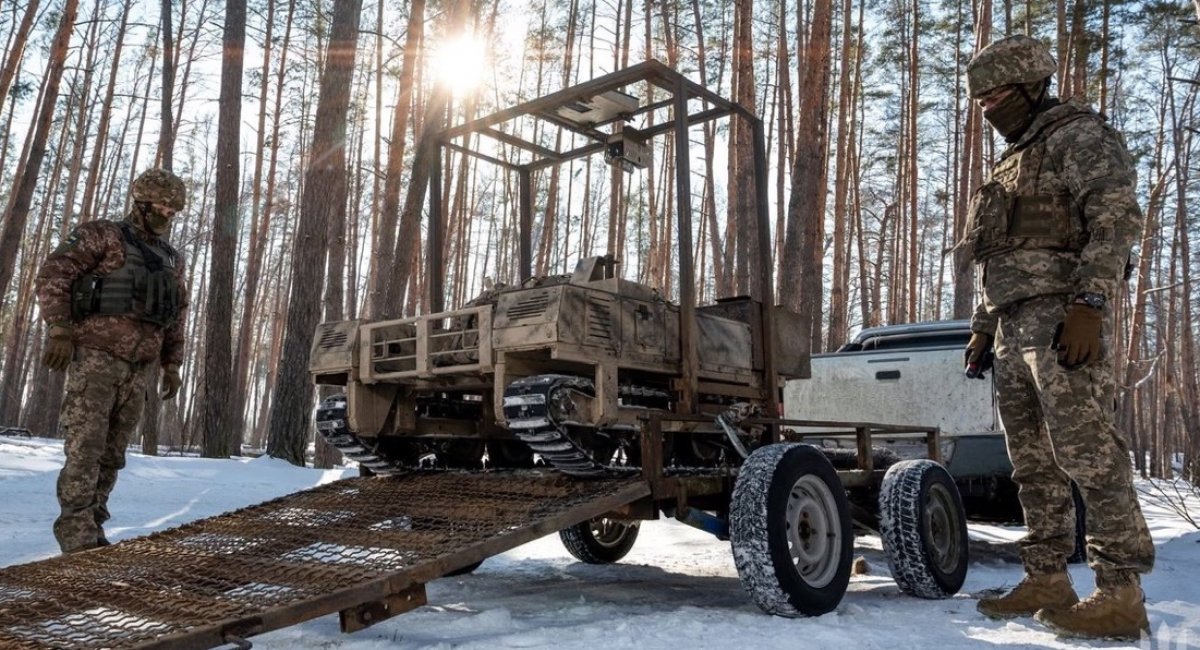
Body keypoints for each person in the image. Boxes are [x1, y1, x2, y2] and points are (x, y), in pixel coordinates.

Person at [960, 34, 1155, 640]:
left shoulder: (1078, 135)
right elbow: (999, 250)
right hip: (1011, 324)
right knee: (1032, 464)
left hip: (1061, 318)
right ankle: (1046, 577)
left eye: (997, 97)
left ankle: (1121, 592)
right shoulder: (1012, 159)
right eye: (981, 101)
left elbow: (1115, 219)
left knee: (1088, 452)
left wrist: (1090, 303)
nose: (989, 109)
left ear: (1030, 85)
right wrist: (983, 327)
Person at [34, 168, 190, 554]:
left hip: (139, 368)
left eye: (173, 211)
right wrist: (59, 328)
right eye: (162, 208)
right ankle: (76, 535)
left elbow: (176, 313)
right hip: (96, 359)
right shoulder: (101, 234)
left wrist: (172, 363)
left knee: (112, 454)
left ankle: (94, 526)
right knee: (85, 448)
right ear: (141, 203)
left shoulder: (171, 258)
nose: (167, 216)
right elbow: (54, 274)